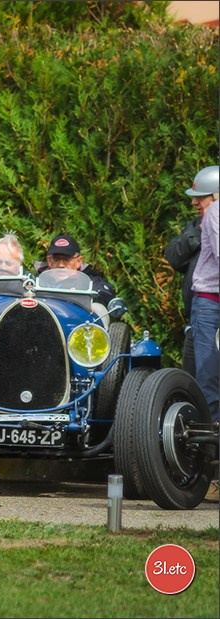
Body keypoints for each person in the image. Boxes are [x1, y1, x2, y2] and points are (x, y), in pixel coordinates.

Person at [184, 165, 219, 503]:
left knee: (209, 385)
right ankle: (209, 476)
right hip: (210, 303)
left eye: (200, 197)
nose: (196, 203)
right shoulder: (214, 215)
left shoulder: (216, 212)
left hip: (211, 306)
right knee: (209, 385)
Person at [166, 166, 216, 373]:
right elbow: (174, 257)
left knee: (210, 379)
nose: (194, 202)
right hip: (197, 315)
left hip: (212, 312)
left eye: (201, 197)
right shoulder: (195, 225)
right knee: (192, 378)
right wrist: (197, 235)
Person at [34, 233, 116, 306]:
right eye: (56, 259)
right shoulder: (36, 282)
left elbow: (107, 294)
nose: (61, 265)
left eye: (67, 259)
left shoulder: (91, 283)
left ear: (78, 261)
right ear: (49, 261)